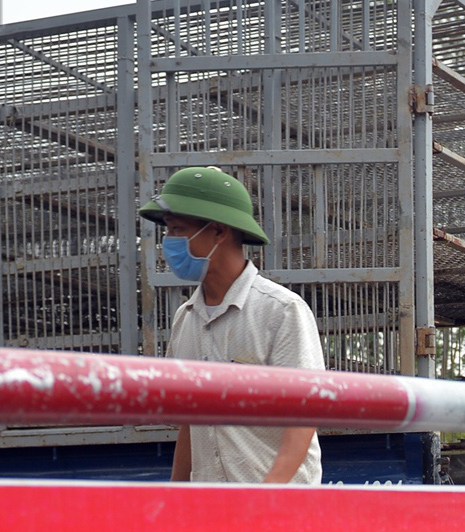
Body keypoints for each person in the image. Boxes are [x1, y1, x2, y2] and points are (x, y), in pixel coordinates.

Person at [138, 167, 325, 485]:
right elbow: (189, 423)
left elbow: (304, 416)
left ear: (219, 231)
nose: (169, 243)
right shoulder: (186, 318)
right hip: (212, 511)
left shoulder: (280, 311)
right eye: (167, 231)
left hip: (279, 512)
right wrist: (175, 497)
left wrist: (267, 496)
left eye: (178, 229)